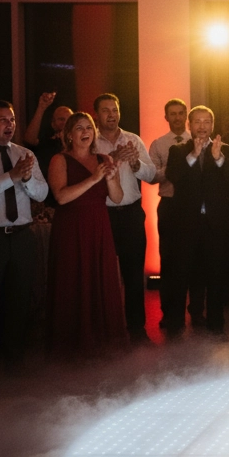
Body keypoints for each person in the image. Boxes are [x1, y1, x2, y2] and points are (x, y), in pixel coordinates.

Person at [0, 100, 49, 371]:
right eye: (3, 119)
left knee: (19, 298)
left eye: (13, 119)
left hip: (21, 236)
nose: (10, 124)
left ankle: (14, 358)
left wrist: (26, 179)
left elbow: (42, 193)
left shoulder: (24, 153)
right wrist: (11, 176)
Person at [45, 112, 127, 352]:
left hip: (99, 226)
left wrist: (110, 178)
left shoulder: (104, 158)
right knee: (72, 279)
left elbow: (118, 197)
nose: (85, 132)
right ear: (69, 135)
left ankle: (102, 339)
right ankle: (71, 343)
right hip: (71, 228)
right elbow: (61, 196)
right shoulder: (59, 160)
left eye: (89, 127)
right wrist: (93, 179)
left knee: (101, 277)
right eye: (79, 128)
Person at [165, 106, 229, 337]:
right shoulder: (178, 150)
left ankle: (216, 323)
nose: (202, 126)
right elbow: (173, 176)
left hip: (215, 224)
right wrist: (194, 156)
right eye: (197, 122)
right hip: (186, 224)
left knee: (215, 275)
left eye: (207, 122)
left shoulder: (223, 149)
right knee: (181, 274)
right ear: (189, 125)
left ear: (212, 126)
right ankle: (175, 324)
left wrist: (218, 160)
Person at [93, 93, 157, 342]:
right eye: (106, 110)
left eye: (115, 110)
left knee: (133, 274)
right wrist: (113, 160)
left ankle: (136, 328)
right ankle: (104, 328)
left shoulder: (133, 139)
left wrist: (135, 164)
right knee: (102, 274)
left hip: (130, 214)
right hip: (101, 214)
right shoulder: (90, 141)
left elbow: (151, 175)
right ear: (97, 114)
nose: (112, 114)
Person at [148, 98, 189, 331]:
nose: (177, 117)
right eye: (172, 114)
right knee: (169, 262)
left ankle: (194, 312)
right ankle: (169, 313)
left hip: (193, 207)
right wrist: (175, 168)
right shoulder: (159, 144)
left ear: (186, 115)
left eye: (181, 113)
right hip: (170, 205)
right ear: (166, 117)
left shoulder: (196, 141)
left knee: (192, 262)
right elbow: (152, 176)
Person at [22, 92, 73, 208]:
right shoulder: (47, 143)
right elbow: (28, 140)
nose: (65, 123)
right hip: (49, 202)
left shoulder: (81, 145)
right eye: (61, 119)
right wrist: (41, 108)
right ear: (53, 124)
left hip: (74, 199)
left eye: (69, 119)